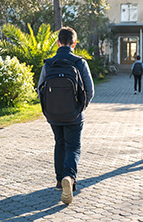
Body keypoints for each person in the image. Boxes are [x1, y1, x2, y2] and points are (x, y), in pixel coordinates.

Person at [37, 27, 94, 204]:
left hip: (53, 115)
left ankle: (59, 181)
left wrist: (48, 110)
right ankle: (69, 177)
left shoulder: (49, 62)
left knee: (59, 143)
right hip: (74, 114)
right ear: (74, 43)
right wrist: (80, 108)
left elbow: (40, 89)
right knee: (73, 147)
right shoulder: (79, 62)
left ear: (58, 42)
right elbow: (90, 90)